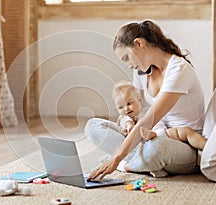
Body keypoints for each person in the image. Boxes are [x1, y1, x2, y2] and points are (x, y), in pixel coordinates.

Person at [86, 20, 205, 180]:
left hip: (182, 145)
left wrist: (116, 159)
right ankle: (146, 163)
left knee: (156, 149)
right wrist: (127, 121)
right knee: (93, 126)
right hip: (150, 135)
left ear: (139, 44)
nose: (128, 65)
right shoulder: (141, 71)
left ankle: (129, 165)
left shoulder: (179, 70)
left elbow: (149, 119)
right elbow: (139, 112)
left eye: (127, 57)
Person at [112, 80, 207, 150]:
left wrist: (154, 134)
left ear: (139, 98)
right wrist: (129, 124)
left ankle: (207, 148)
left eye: (129, 103)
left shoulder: (148, 112)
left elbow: (160, 125)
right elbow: (123, 120)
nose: (126, 109)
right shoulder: (125, 118)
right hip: (138, 146)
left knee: (185, 131)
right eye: (120, 107)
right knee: (98, 125)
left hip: (159, 136)